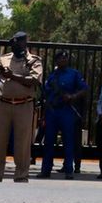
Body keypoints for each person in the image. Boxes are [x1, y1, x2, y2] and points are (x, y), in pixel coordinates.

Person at [0, 32, 43, 183]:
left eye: (20, 42)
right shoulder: (4, 59)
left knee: (23, 142)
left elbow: (35, 81)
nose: (17, 44)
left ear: (25, 43)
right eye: (14, 42)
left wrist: (13, 76)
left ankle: (21, 175)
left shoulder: (34, 60)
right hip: (3, 104)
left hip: (24, 104)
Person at [37, 50, 87, 180]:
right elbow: (46, 95)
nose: (63, 60)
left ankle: (69, 170)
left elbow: (84, 89)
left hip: (66, 111)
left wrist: (72, 96)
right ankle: (45, 170)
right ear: (57, 61)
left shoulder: (74, 74)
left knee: (68, 142)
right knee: (48, 142)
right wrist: (44, 114)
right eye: (61, 58)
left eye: (65, 58)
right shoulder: (52, 76)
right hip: (52, 111)